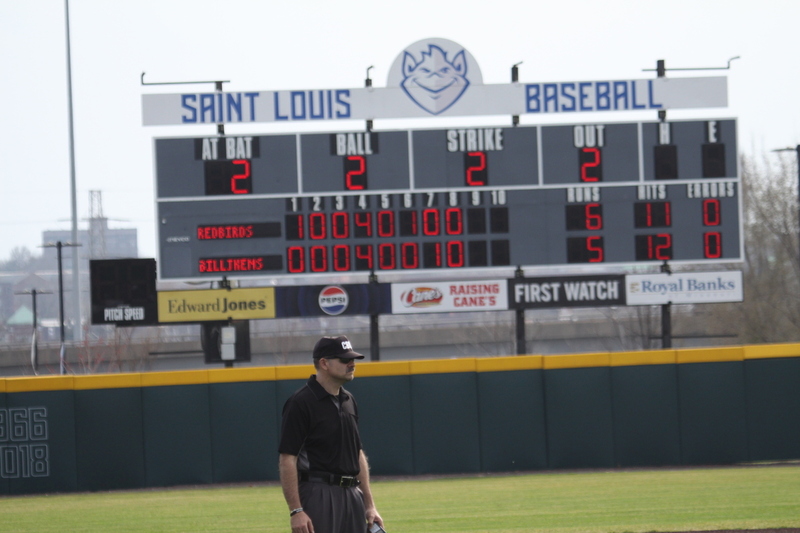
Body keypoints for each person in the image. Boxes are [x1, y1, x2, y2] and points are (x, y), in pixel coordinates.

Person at [279, 335, 384, 533]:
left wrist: (369, 504)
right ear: (324, 363)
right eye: (345, 359)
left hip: (353, 494)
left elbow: (357, 453)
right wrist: (296, 510)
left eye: (353, 359)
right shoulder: (301, 402)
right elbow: (287, 458)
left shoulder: (348, 400)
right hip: (318, 493)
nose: (352, 363)